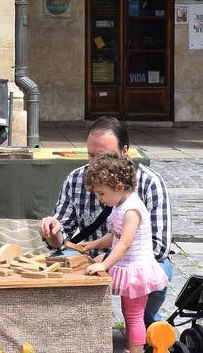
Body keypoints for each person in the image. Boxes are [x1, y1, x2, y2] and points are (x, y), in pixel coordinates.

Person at [38, 117, 173, 324]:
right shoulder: (75, 179)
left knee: (161, 270)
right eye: (91, 155)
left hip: (135, 260)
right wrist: (54, 232)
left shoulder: (150, 183)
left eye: (104, 156)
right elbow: (60, 240)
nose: (96, 163)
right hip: (89, 258)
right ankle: (75, 326)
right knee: (55, 264)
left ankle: (147, 323)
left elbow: (159, 247)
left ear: (124, 152)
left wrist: (110, 260)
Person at [80, 153, 168, 353]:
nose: (99, 199)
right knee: (129, 314)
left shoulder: (131, 209)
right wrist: (93, 244)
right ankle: (131, 352)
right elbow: (114, 235)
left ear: (118, 187)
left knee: (134, 316)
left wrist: (105, 264)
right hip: (129, 267)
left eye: (101, 194)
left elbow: (125, 243)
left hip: (137, 270)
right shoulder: (120, 205)